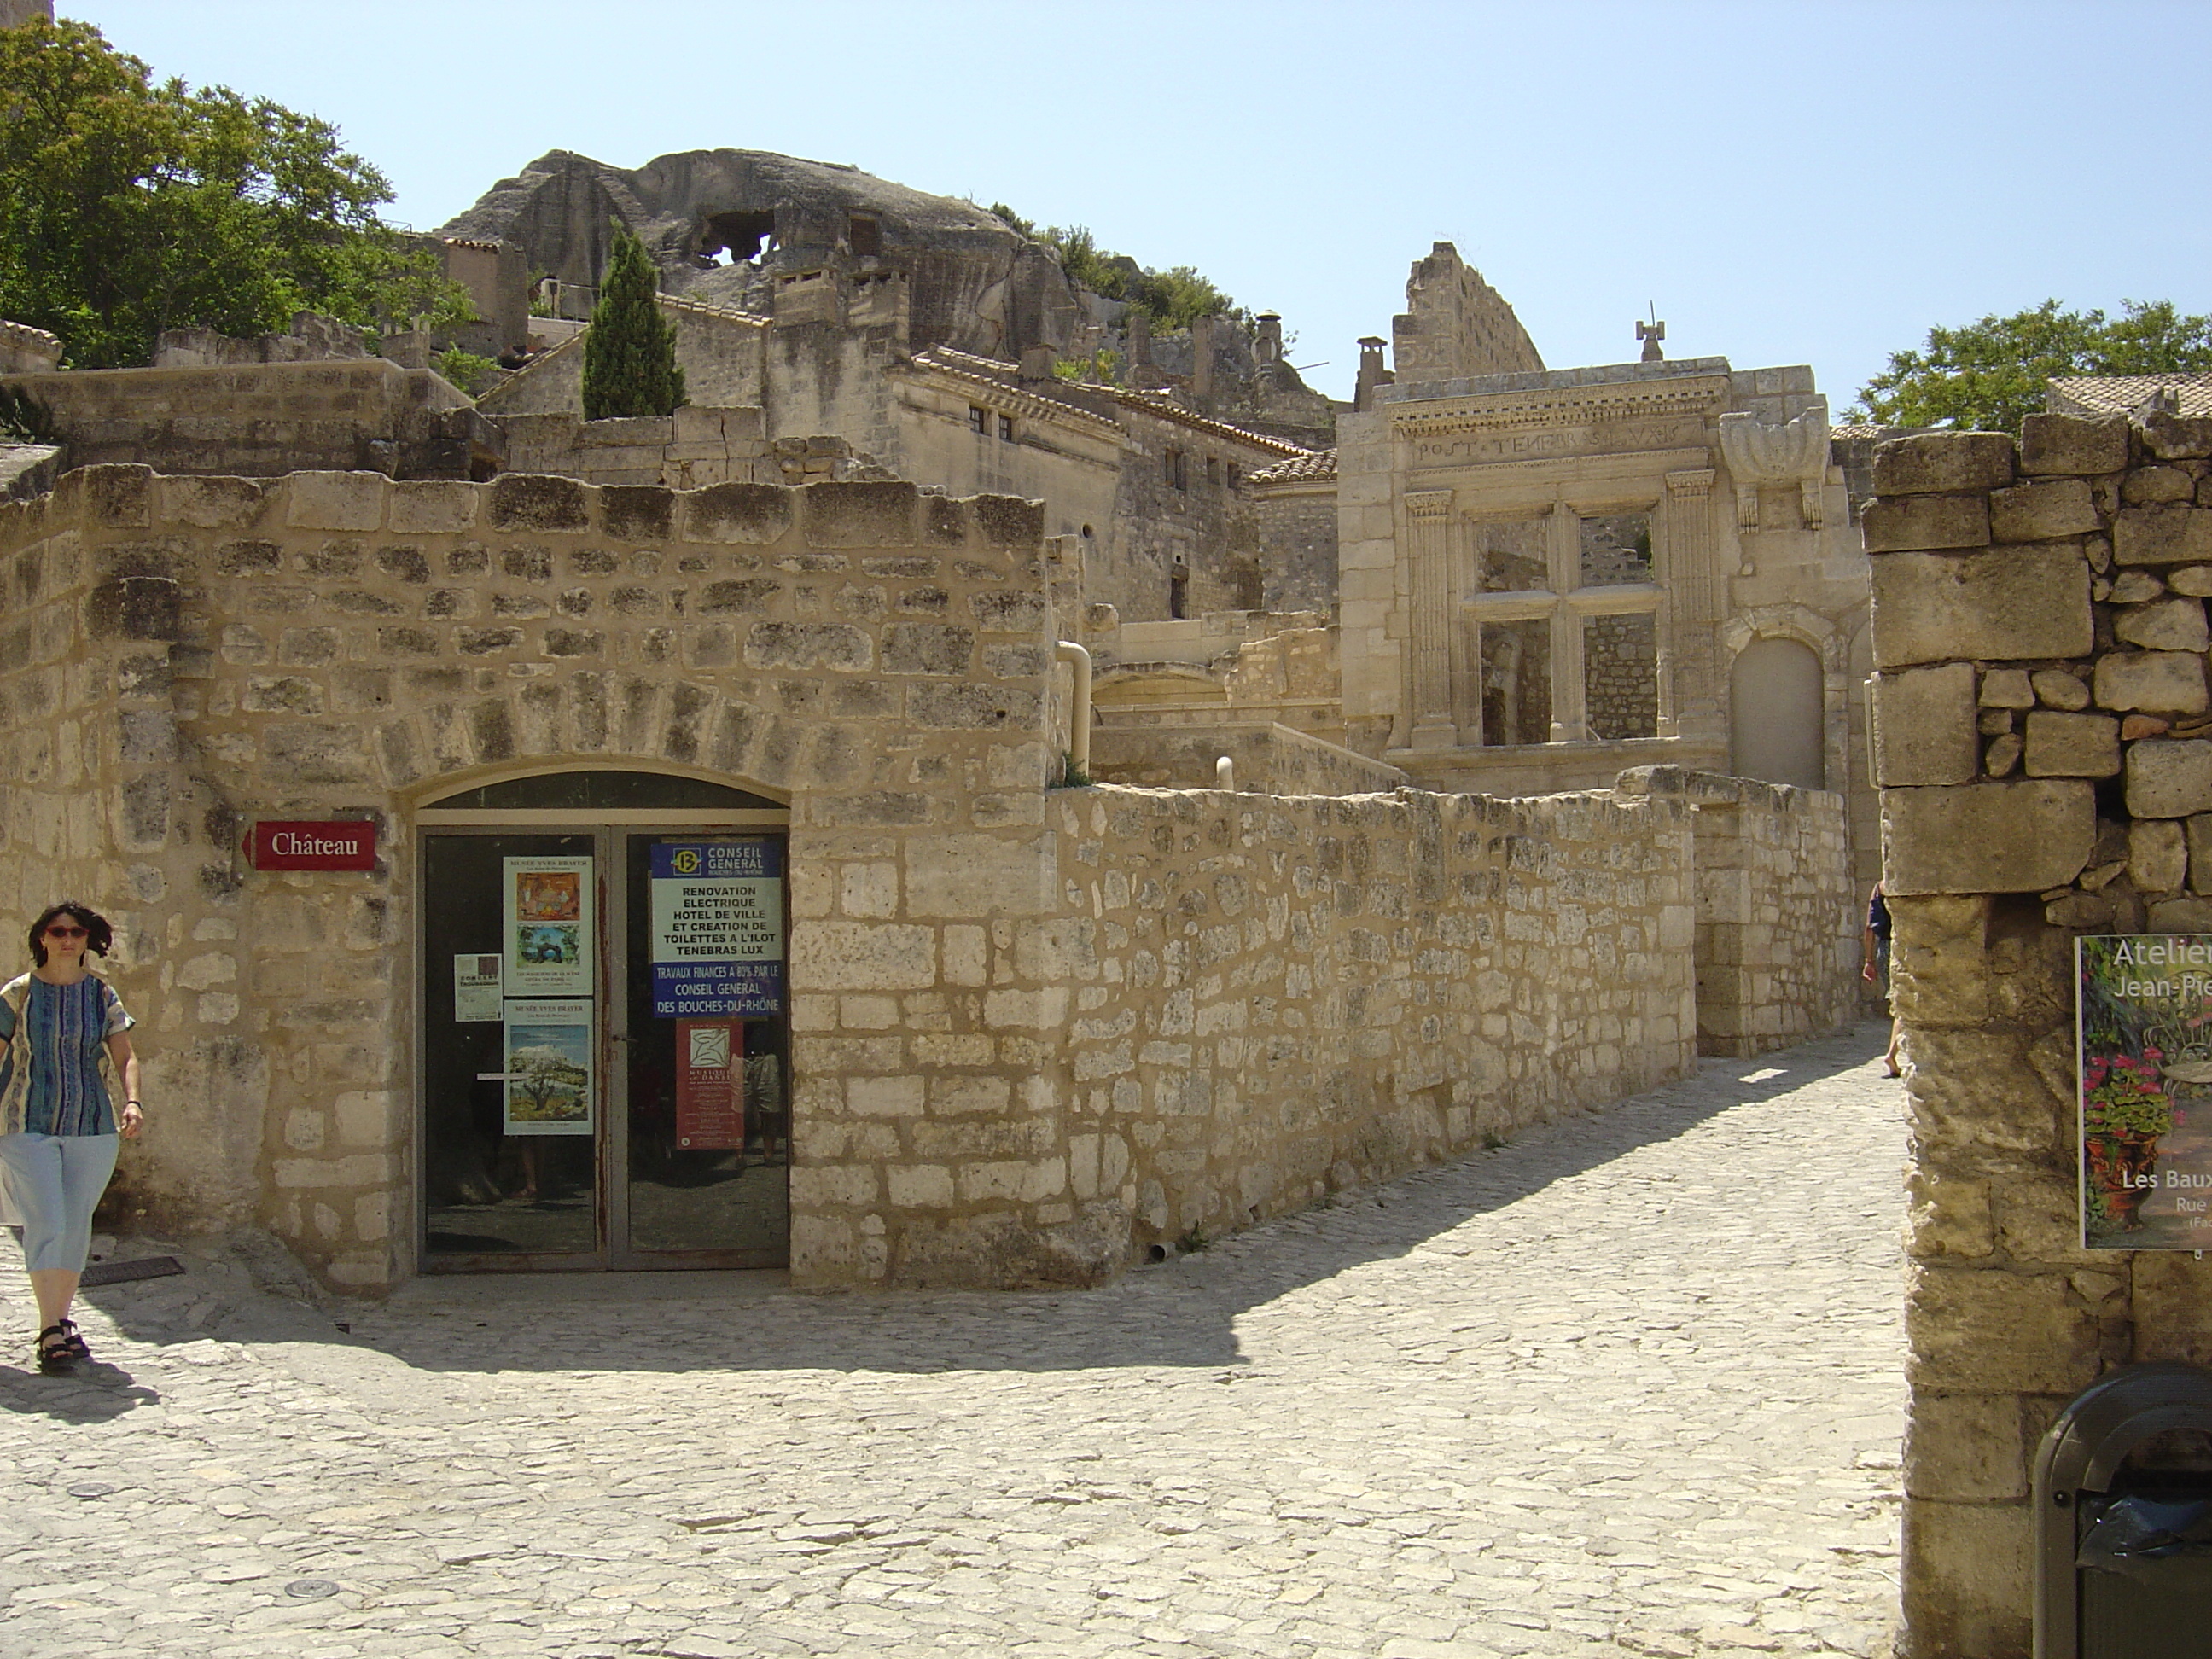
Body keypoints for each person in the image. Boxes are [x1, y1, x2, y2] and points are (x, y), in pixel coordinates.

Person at [0, 902, 143, 1372]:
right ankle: (49, 1328)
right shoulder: (17, 995)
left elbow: (124, 1054)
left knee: (76, 1224)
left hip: (92, 1125)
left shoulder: (102, 996)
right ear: (42, 937)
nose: (67, 940)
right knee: (48, 1220)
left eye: (76, 933)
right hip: (26, 1122)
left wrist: (132, 1100)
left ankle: (59, 1322)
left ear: (87, 940)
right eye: (58, 931)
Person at [1863, 882, 1901, 1078]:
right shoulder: (1898, 883)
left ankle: (1894, 1054)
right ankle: (1892, 1054)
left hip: (1884, 950)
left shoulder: (1879, 887)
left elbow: (1870, 927)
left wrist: (1868, 961)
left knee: (1897, 1003)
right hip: (1902, 946)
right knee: (1904, 1005)